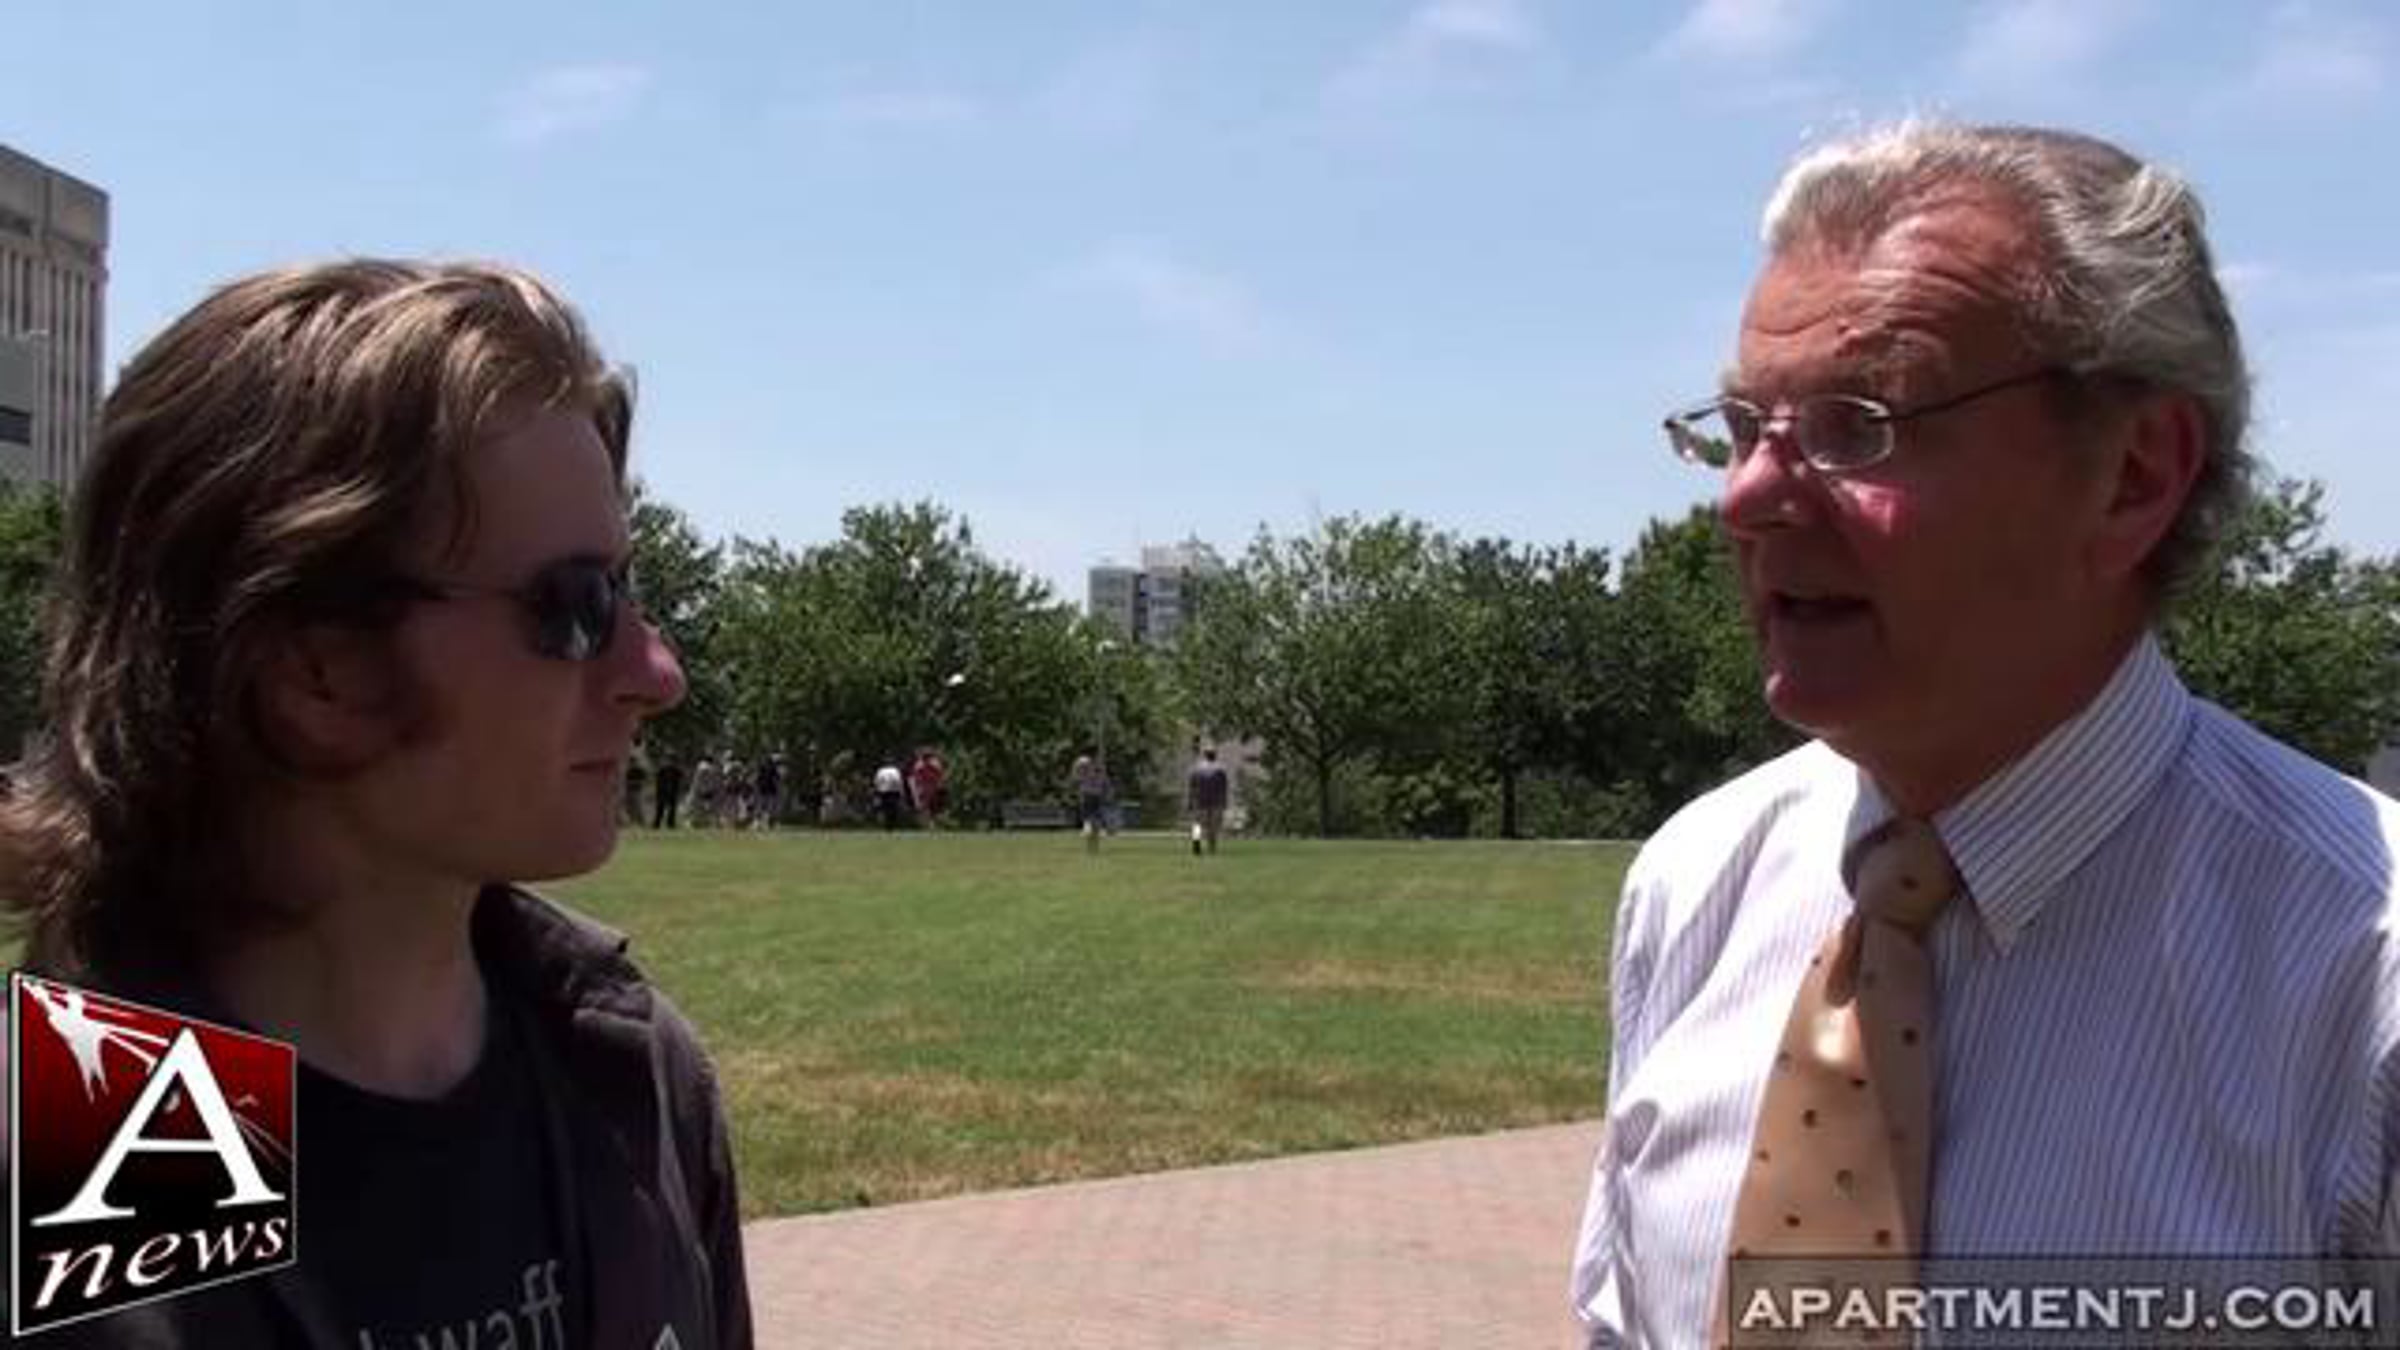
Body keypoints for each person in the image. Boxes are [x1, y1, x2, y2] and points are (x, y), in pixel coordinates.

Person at [1571, 121, 2400, 1347]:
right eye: (1743, 427)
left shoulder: (2363, 978)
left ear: (2133, 474)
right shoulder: (1695, 884)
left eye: (1860, 423)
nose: (1748, 498)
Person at [0, 260, 753, 1348]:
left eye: (627, 590)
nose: (656, 672)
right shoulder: (89, 1172)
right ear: (319, 672)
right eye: (578, 606)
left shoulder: (628, 1077)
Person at [1186, 743, 1230, 856]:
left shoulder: (1197, 769)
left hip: (1201, 801)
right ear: (1214, 755)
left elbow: (1192, 787)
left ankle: (1197, 843)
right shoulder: (1220, 770)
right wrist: (1224, 802)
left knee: (1198, 824)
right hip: (1213, 802)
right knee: (1212, 826)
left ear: (1205, 755)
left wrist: (1190, 801)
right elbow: (1223, 788)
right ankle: (1210, 847)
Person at [1070, 751, 1109, 855]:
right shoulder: (1097, 771)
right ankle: (1099, 829)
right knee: (1096, 812)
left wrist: (1075, 766)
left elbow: (1076, 778)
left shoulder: (1086, 771)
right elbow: (1105, 783)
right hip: (1095, 794)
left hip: (1089, 793)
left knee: (1089, 811)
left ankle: (1089, 828)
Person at [909, 746, 948, 829]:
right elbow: (915, 778)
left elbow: (940, 775)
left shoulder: (933, 764)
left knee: (932, 807)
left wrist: (941, 784)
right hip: (925, 788)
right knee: (926, 807)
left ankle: (931, 824)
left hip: (932, 787)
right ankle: (929, 824)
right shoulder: (920, 765)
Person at [653, 753, 686, 829]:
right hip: (663, 792)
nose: (670, 762)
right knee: (660, 809)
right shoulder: (662, 770)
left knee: (672, 809)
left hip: (673, 792)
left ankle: (670, 824)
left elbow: (682, 779)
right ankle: (657, 824)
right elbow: (658, 781)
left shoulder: (676, 770)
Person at [873, 758, 906, 831]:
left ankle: (886, 825)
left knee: (885, 808)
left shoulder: (881, 771)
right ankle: (891, 825)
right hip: (894, 791)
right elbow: (899, 781)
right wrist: (901, 791)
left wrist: (877, 792)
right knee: (893, 809)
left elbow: (877, 782)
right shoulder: (895, 770)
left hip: (884, 791)